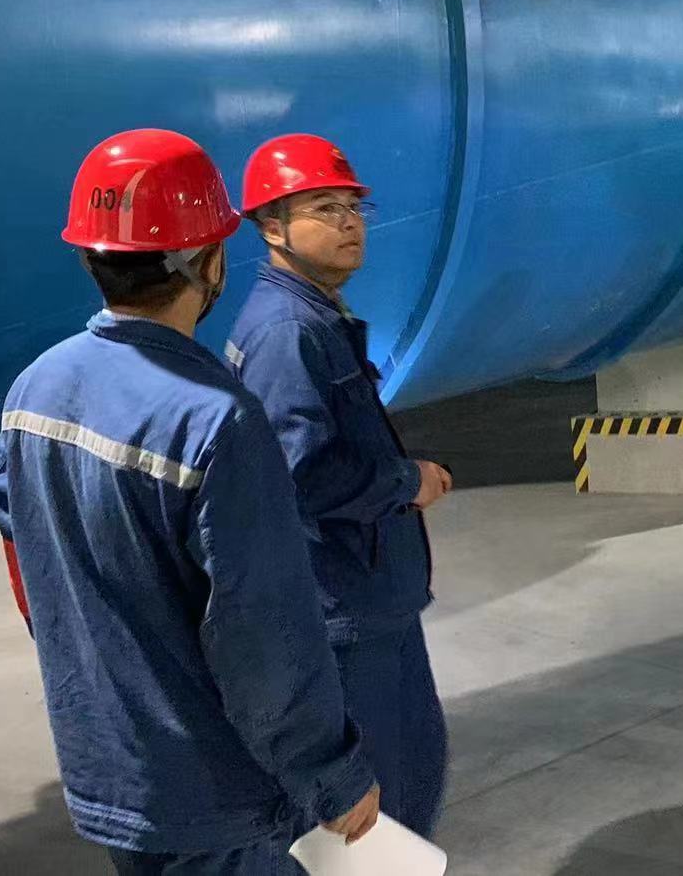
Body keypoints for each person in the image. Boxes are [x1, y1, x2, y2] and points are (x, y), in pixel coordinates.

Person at [0, 129, 380, 875]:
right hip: (211, 790)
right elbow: (263, 633)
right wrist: (331, 772)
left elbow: (28, 570)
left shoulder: (35, 388)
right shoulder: (216, 419)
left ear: (90, 256)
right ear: (209, 260)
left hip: (107, 762)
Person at [226, 134, 452, 838]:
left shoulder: (313, 319)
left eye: (355, 208)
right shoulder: (288, 333)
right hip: (345, 606)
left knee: (407, 777)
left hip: (366, 595)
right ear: (272, 226)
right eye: (325, 208)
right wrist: (406, 481)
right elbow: (302, 474)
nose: (350, 223)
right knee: (385, 801)